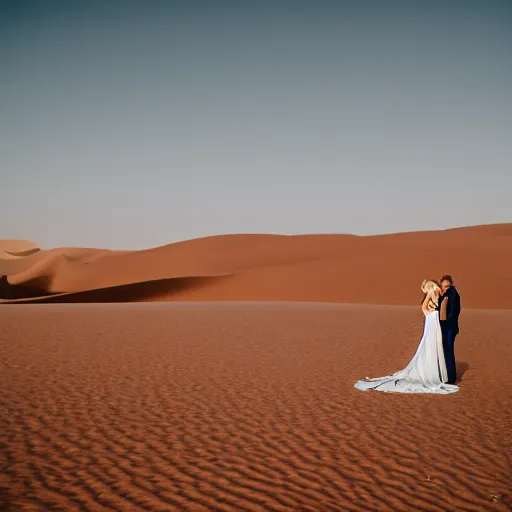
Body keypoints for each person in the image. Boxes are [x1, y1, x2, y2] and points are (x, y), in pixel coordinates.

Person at [354, 279, 458, 394]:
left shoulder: (433, 293)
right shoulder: (438, 293)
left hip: (433, 321)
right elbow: (430, 306)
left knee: (430, 345)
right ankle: (436, 372)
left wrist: (431, 307)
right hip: (433, 321)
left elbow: (425, 306)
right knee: (432, 345)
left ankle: (433, 371)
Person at [438, 275, 461, 384]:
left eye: (447, 285)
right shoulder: (444, 294)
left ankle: (451, 378)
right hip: (445, 326)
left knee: (448, 352)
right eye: (444, 285)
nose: (446, 287)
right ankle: (446, 375)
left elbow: (454, 310)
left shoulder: (452, 292)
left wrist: (448, 321)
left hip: (449, 327)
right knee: (445, 351)